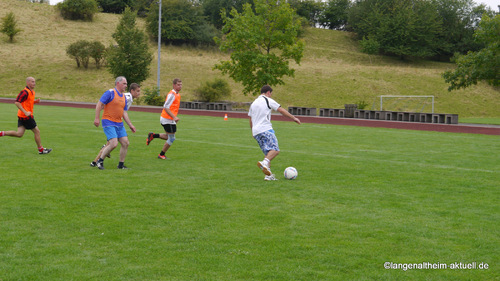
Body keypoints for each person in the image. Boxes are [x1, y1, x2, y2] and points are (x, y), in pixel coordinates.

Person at [248, 85, 301, 180]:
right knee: (275, 150)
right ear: (268, 92)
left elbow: (250, 118)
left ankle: (268, 176)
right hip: (265, 129)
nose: (271, 96)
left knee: (268, 153)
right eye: (271, 94)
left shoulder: (254, 103)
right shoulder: (267, 100)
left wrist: (252, 131)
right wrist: (293, 118)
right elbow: (281, 110)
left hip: (256, 132)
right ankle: (264, 162)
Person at [91, 83, 141, 167]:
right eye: (137, 91)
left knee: (114, 144)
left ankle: (95, 162)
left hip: (117, 122)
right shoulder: (127, 97)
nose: (139, 93)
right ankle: (97, 161)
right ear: (132, 91)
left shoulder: (129, 98)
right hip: (112, 121)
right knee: (111, 144)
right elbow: (115, 102)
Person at [0, 77, 52, 154]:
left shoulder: (32, 92)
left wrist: (35, 102)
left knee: (19, 134)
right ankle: (41, 150)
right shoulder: (25, 92)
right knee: (37, 131)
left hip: (22, 116)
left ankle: (1, 133)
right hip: (26, 116)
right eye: (32, 82)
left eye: (34, 82)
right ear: (28, 83)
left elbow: (27, 102)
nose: (34, 83)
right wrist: (25, 112)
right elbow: (17, 102)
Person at [146, 78, 182, 159]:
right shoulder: (172, 94)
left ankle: (153, 135)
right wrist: (174, 117)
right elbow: (166, 107)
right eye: (178, 85)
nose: (180, 86)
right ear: (174, 85)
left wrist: (174, 118)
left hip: (170, 119)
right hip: (167, 119)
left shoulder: (177, 94)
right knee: (172, 138)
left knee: (169, 136)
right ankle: (161, 154)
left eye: (181, 85)